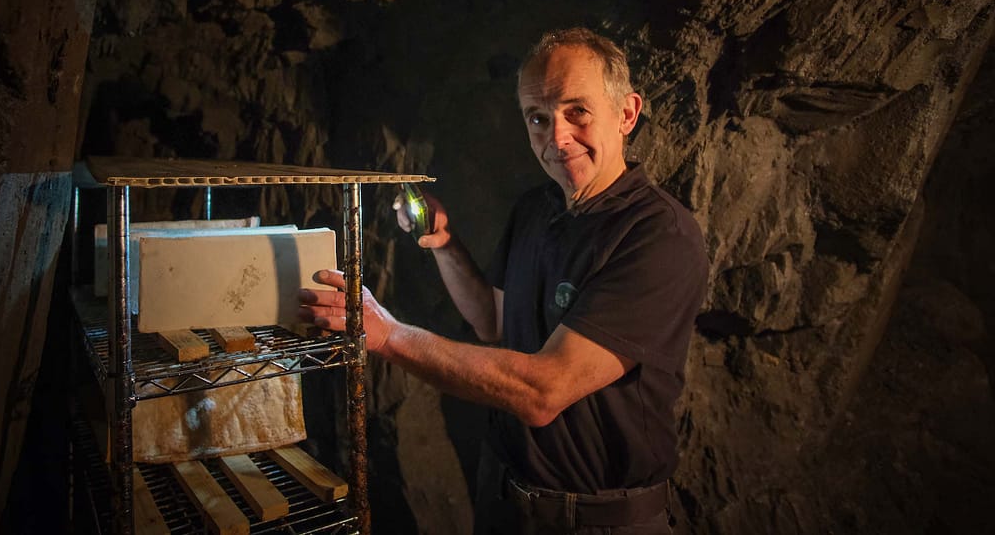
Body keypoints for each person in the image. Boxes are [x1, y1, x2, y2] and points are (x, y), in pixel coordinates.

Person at [299, 27, 708, 534]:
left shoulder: (657, 236)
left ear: (626, 113)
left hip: (597, 520)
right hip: (506, 502)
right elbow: (491, 321)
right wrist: (445, 245)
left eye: (576, 110)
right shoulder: (536, 211)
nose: (556, 137)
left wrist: (388, 334)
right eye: (539, 118)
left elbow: (544, 391)